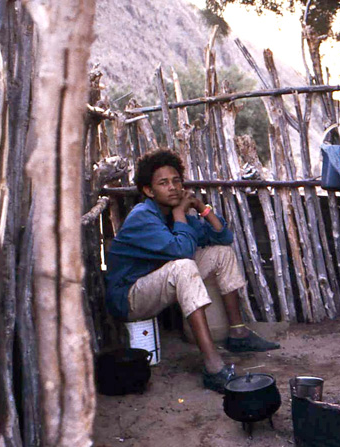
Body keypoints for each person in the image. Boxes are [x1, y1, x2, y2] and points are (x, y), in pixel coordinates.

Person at [105, 149, 279, 393]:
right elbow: (182, 252)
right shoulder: (143, 217)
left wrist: (199, 206)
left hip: (156, 283)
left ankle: (238, 334)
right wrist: (180, 214)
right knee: (184, 266)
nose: (173, 187)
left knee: (221, 253)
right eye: (163, 183)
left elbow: (223, 237)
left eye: (177, 181)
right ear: (148, 191)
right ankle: (213, 367)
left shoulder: (176, 213)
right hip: (130, 298)